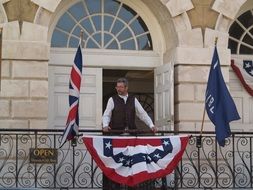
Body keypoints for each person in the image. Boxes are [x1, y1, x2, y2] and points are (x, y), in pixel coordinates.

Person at [102, 77, 157, 190]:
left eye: (121, 87)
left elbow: (142, 114)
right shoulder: (112, 99)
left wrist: (151, 125)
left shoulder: (133, 99)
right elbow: (107, 114)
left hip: (131, 136)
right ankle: (116, 186)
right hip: (117, 136)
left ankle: (132, 185)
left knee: (131, 162)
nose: (118, 89)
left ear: (126, 87)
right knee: (117, 163)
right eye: (117, 87)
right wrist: (105, 125)